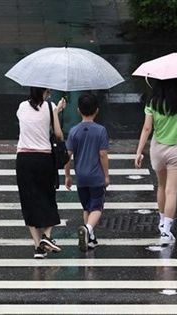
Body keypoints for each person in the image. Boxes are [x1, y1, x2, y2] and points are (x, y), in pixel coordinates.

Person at [135, 78, 177, 244]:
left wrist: (139, 151)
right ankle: (166, 230)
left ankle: (162, 221)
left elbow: (147, 128)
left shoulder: (153, 101)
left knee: (161, 186)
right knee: (172, 191)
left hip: (158, 148)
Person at [16, 87, 66, 259]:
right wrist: (57, 112)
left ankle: (38, 247)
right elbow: (58, 134)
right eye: (48, 91)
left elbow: (34, 119)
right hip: (43, 158)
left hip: (23, 159)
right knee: (47, 198)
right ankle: (47, 236)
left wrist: (55, 110)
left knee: (29, 200)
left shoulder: (22, 106)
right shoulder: (50, 107)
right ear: (44, 92)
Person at [65, 93, 109, 252]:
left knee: (87, 208)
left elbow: (67, 156)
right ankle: (87, 230)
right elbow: (102, 155)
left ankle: (90, 238)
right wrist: (106, 176)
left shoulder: (73, 131)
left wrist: (68, 176)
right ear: (97, 110)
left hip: (81, 177)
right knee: (97, 207)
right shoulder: (101, 130)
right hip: (96, 176)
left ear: (78, 110)